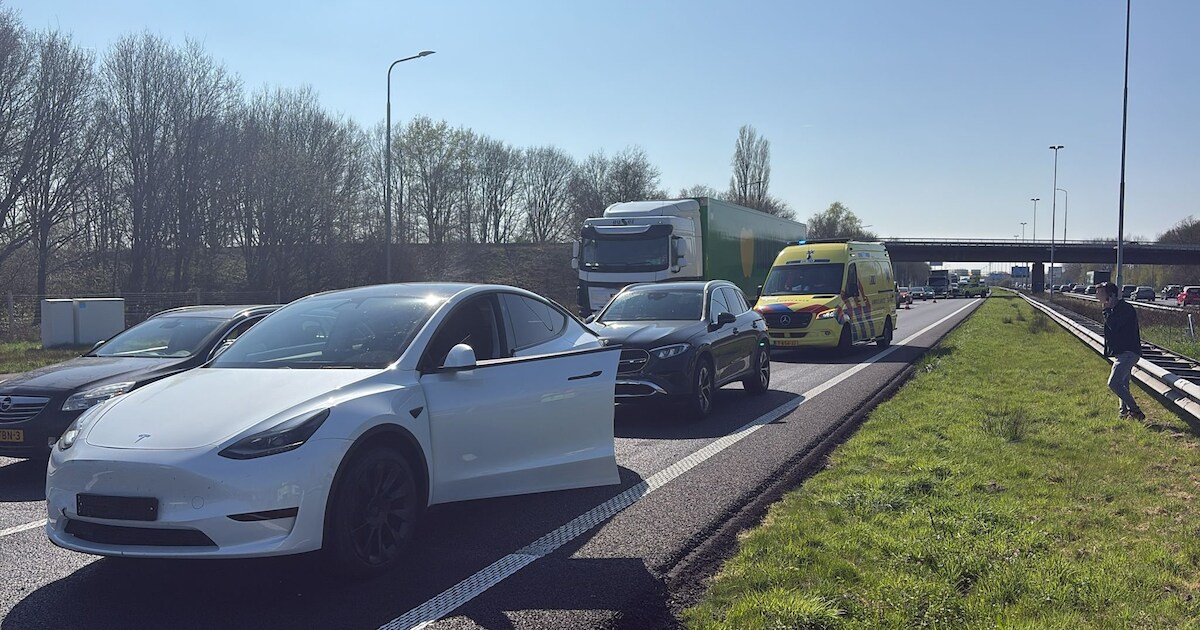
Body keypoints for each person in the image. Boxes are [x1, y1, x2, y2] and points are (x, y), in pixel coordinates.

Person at [1096, 281, 1144, 420]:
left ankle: (1135, 411)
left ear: (1110, 296)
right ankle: (1123, 413)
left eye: (1100, 293)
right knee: (1123, 384)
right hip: (1122, 353)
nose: (1097, 296)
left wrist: (1106, 310)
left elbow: (1114, 326)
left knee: (1114, 383)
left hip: (1128, 353)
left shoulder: (1124, 309)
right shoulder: (1115, 309)